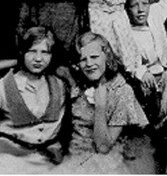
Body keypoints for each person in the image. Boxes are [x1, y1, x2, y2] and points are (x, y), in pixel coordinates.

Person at [0, 26, 70, 174]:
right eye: (32, 51)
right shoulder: (6, 86)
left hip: (49, 159)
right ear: (22, 53)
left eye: (45, 52)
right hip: (10, 158)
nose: (38, 58)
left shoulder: (59, 85)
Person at [54, 32, 152, 174]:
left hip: (104, 160)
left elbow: (103, 147)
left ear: (106, 56)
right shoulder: (76, 84)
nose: (89, 64)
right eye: (83, 59)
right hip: (73, 157)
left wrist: (100, 106)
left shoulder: (122, 91)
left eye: (94, 57)